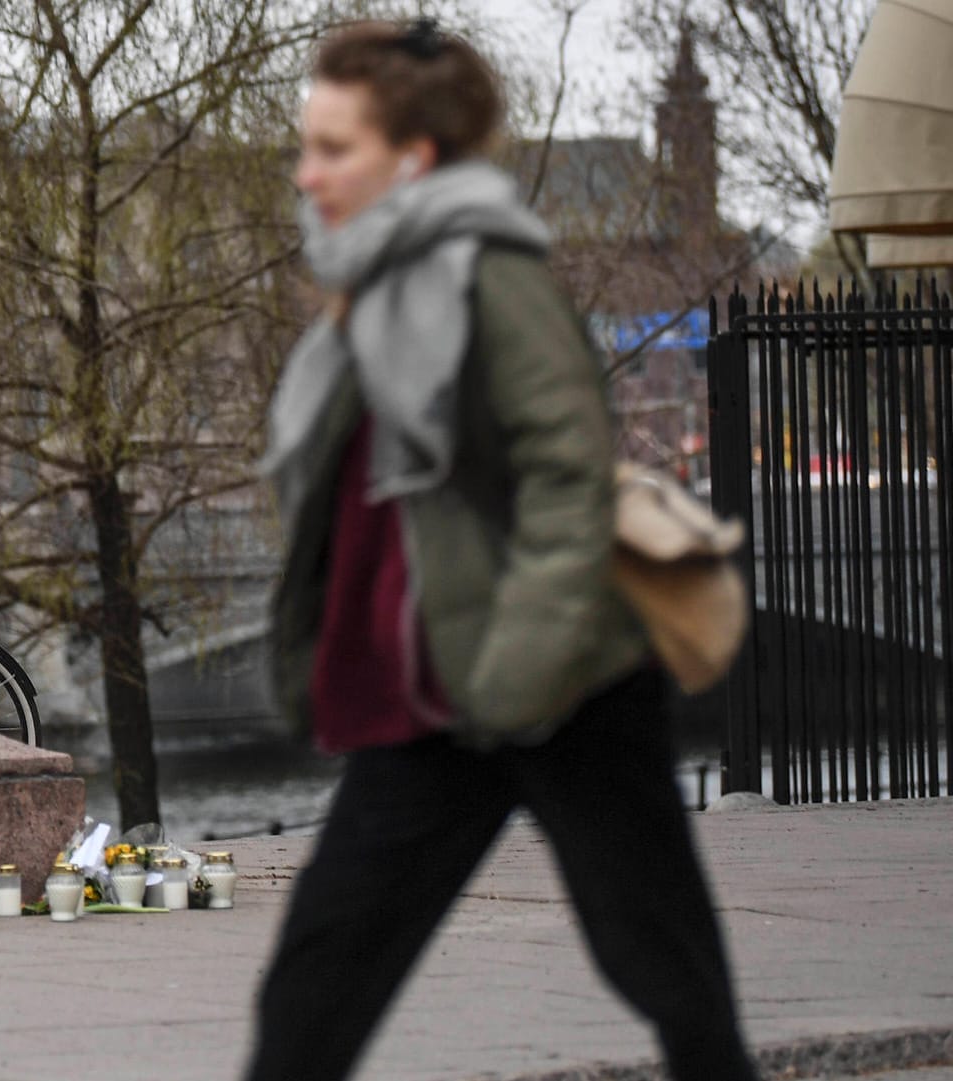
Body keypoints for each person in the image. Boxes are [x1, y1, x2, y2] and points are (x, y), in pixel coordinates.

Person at [247, 19, 757, 1081]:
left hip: (564, 683)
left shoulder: (496, 279)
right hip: (431, 697)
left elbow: (568, 477)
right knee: (314, 987)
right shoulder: (362, 297)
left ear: (414, 157)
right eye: (310, 145)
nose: (308, 173)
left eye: (335, 148)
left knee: (664, 969)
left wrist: (517, 673)